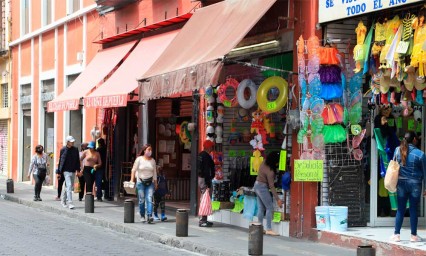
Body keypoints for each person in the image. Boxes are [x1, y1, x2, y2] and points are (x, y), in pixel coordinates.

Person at [391, 132, 426, 242]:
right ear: (415, 140)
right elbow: (425, 173)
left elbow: (393, 167)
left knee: (400, 209)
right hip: (416, 185)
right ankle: (413, 236)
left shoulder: (397, 150)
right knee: (413, 209)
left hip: (401, 184)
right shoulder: (420, 154)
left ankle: (396, 235)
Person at [253, 151, 283, 236]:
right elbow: (271, 186)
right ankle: (269, 229)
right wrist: (278, 199)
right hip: (262, 187)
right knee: (269, 207)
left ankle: (259, 227)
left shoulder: (264, 162)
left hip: (256, 185)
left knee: (261, 208)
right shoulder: (270, 171)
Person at [130, 144, 157, 223]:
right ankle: (142, 215)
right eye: (148, 149)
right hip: (140, 182)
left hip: (150, 182)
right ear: (144, 150)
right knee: (141, 200)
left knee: (150, 198)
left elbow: (154, 172)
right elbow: (133, 170)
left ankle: (149, 215)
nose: (150, 151)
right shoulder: (139, 159)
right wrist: (132, 180)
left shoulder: (153, 161)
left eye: (151, 150)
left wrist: (155, 183)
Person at [57, 136, 80, 209]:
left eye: (73, 141)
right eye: (71, 141)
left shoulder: (75, 149)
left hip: (72, 170)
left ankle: (63, 201)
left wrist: (78, 170)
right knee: (69, 186)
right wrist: (59, 172)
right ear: (67, 142)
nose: (73, 142)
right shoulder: (63, 149)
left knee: (69, 187)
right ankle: (70, 203)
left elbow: (77, 160)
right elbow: (61, 161)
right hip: (65, 171)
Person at [198, 140, 215, 227]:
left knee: (204, 198)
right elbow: (207, 170)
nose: (212, 148)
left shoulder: (200, 155)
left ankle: (204, 219)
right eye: (211, 147)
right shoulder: (206, 156)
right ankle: (202, 220)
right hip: (205, 179)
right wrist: (208, 182)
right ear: (208, 147)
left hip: (201, 178)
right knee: (205, 199)